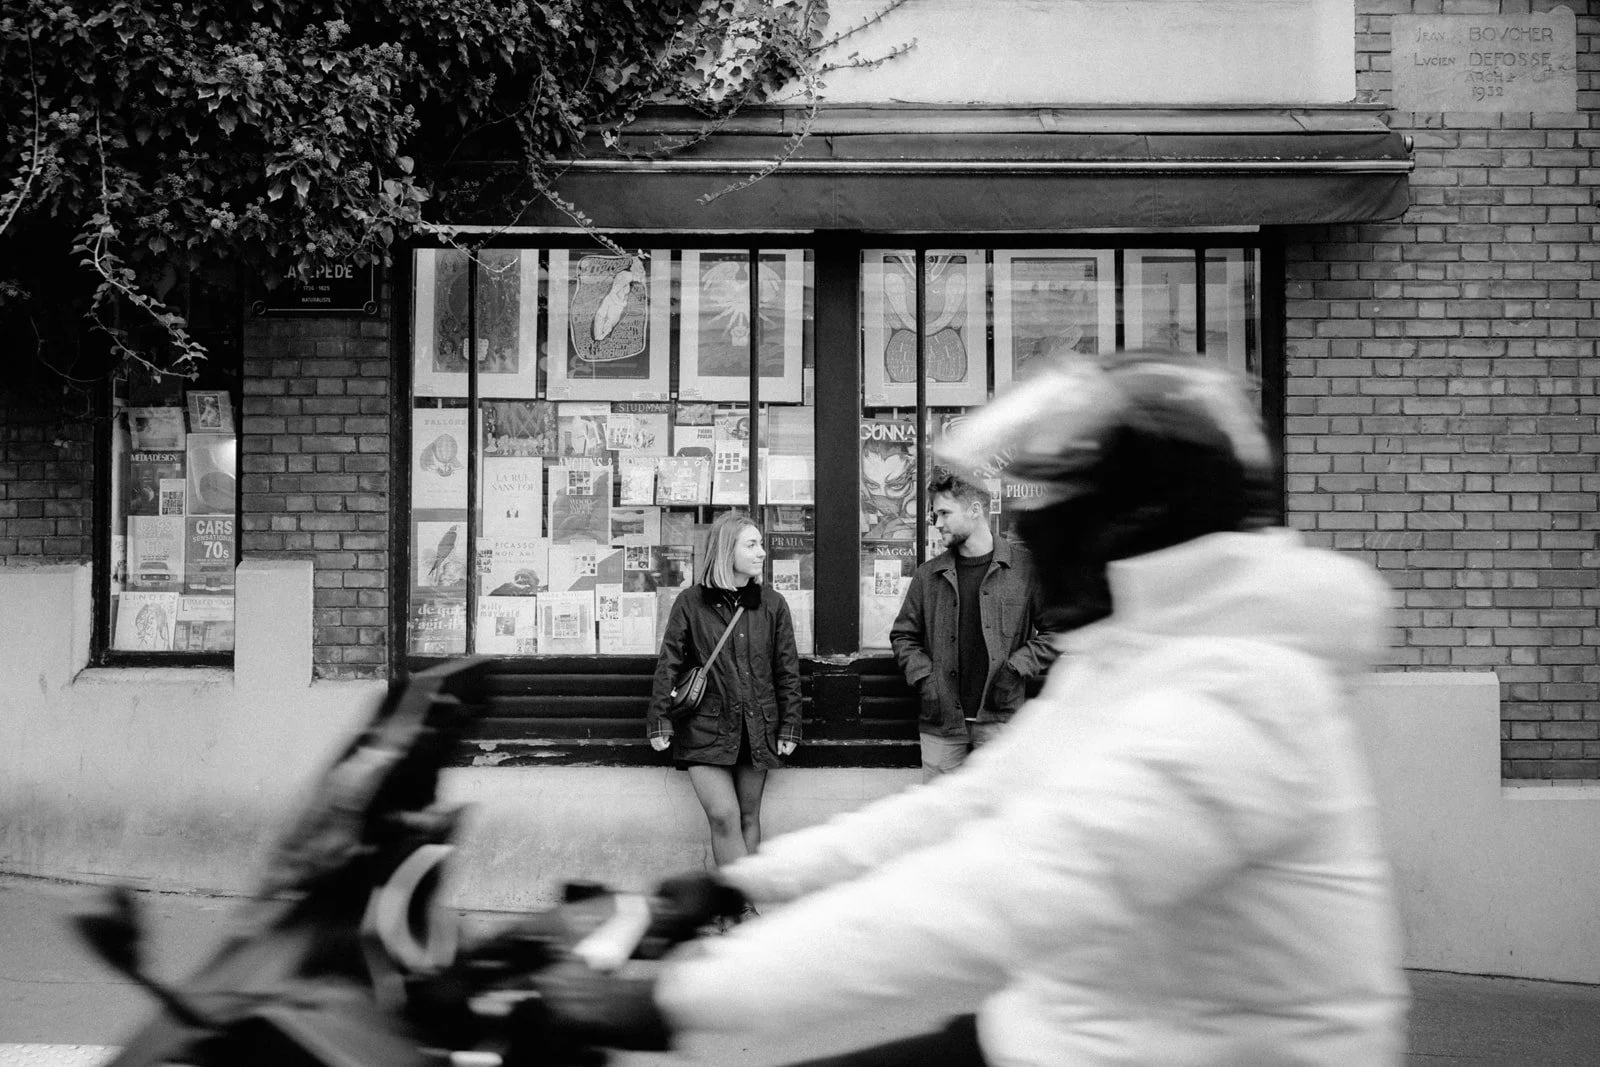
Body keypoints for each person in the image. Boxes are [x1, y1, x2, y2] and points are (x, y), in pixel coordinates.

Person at [534, 352, 1409, 1066]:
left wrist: (673, 999)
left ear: (1124, 526)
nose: (1035, 537)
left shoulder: (1242, 696)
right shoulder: (1129, 661)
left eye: (1055, 513)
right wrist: (738, 882)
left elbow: (989, 890)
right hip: (1071, 1033)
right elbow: (962, 809)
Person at [647, 512, 803, 881]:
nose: (762, 552)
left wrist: (790, 725)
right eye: (751, 544)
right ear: (725, 550)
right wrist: (659, 721)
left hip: (756, 724)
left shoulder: (772, 604)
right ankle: (739, 908)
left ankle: (745, 908)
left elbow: (787, 670)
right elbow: (668, 663)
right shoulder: (690, 602)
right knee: (724, 816)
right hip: (704, 726)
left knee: (749, 816)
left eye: (760, 544)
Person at [891, 471, 1061, 780]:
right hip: (941, 721)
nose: (936, 522)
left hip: (1000, 720)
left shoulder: (1024, 569)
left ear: (974, 511)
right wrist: (925, 680)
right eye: (934, 514)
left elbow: (1055, 632)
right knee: (940, 816)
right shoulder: (928, 576)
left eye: (944, 513)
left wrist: (1015, 669)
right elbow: (903, 636)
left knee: (996, 817)